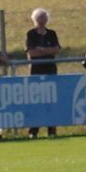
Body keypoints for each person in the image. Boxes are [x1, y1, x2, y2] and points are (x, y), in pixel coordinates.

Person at [25, 8, 61, 139]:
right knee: (36, 101)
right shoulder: (31, 34)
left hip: (50, 69)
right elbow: (31, 53)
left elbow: (56, 49)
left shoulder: (52, 33)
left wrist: (42, 49)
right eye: (39, 18)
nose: (41, 21)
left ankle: (52, 129)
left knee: (51, 100)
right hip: (36, 71)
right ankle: (33, 131)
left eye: (44, 18)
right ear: (35, 20)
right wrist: (47, 51)